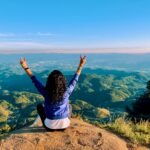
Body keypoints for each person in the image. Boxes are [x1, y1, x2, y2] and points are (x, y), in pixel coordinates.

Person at [20, 55, 86, 131]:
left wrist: (25, 67)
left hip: (49, 127)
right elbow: (74, 80)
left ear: (49, 82)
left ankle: (49, 122)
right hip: (64, 126)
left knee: (39, 106)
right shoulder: (66, 92)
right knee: (70, 106)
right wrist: (81, 65)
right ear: (63, 82)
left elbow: (34, 79)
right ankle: (63, 121)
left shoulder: (46, 92)